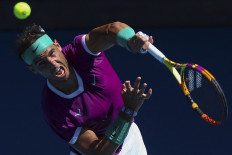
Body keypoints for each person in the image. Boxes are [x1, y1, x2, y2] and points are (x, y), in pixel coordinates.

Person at [15, 22, 153, 155]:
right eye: (41, 63)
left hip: (129, 137)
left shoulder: (81, 52)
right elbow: (99, 153)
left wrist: (130, 41)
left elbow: (110, 30)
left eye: (52, 53)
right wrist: (129, 111)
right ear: (33, 69)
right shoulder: (53, 108)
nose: (52, 63)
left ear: (57, 45)